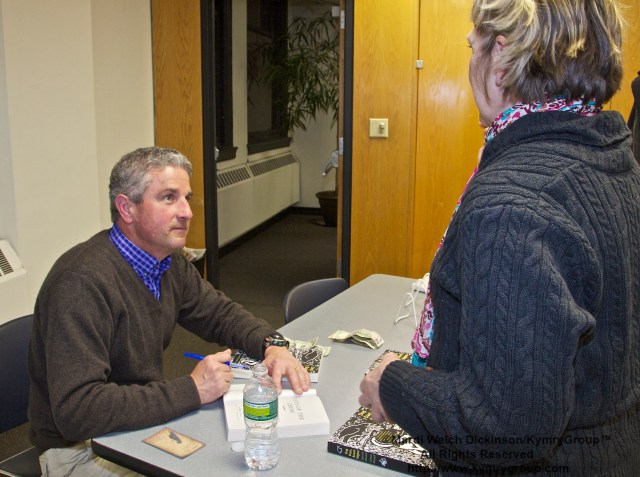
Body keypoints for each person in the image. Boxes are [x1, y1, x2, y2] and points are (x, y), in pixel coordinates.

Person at [359, 0, 640, 475]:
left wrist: (392, 384)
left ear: (501, 60)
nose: (471, 62)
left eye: (473, 47)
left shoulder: (513, 201)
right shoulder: (614, 161)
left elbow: (504, 426)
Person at [28, 147, 311, 476]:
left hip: (133, 425)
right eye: (168, 198)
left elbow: (218, 313)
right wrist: (192, 389)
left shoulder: (166, 261)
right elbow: (78, 410)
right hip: (80, 448)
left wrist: (271, 344)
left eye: (186, 198)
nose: (187, 212)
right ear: (126, 208)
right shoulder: (81, 284)